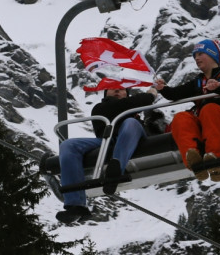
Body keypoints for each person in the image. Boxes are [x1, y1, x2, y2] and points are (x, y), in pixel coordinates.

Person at [56, 85, 158, 224]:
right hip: (107, 140)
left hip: (133, 136)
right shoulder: (100, 108)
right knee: (68, 145)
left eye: (122, 89)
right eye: (112, 88)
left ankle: (115, 170)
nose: (117, 90)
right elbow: (125, 105)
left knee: (130, 123)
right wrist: (150, 95)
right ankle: (76, 205)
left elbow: (135, 108)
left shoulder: (134, 113)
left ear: (127, 94)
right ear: (105, 94)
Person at [153, 39, 220, 183]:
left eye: (200, 54)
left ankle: (215, 159)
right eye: (195, 56)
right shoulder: (198, 81)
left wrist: (218, 87)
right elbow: (176, 94)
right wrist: (163, 89)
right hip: (202, 117)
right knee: (180, 117)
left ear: (212, 55)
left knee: (209, 109)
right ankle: (194, 159)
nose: (197, 58)